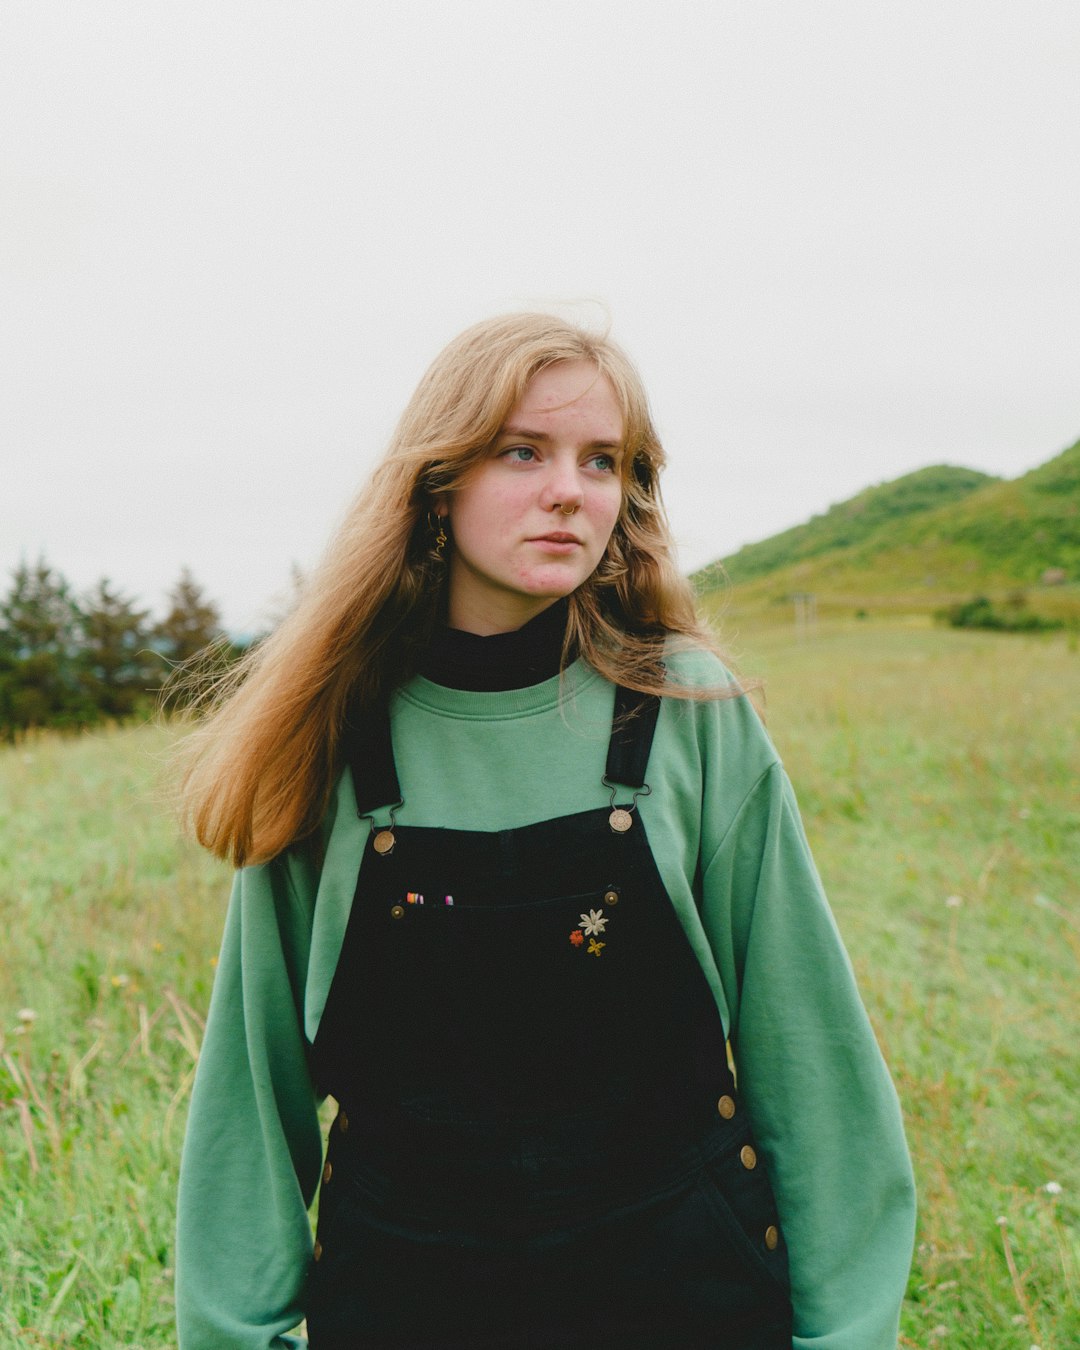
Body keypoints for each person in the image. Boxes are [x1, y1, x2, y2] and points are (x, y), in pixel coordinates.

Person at [174, 313, 916, 1349]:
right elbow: (252, 1105)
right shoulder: (335, 734)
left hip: (686, 1297)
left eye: (602, 460)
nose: (570, 489)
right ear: (439, 482)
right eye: (523, 450)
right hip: (408, 1308)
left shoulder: (685, 708)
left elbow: (812, 1054)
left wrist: (844, 1334)